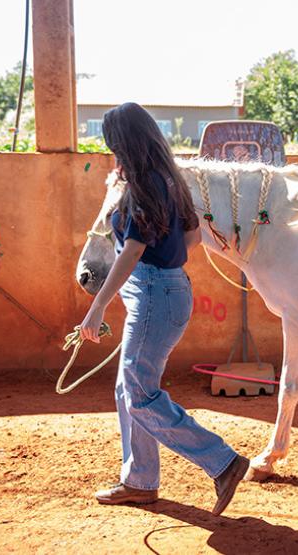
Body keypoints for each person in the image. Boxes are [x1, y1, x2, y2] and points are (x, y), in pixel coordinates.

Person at [79, 102, 248, 515]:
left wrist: (98, 306)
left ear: (125, 143)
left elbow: (132, 250)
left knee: (139, 394)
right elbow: (192, 237)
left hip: (154, 292)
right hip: (166, 289)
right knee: (130, 389)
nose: (112, 152)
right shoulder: (168, 179)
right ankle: (139, 480)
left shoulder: (144, 185)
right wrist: (164, 260)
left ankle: (222, 461)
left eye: (113, 145)